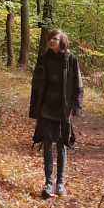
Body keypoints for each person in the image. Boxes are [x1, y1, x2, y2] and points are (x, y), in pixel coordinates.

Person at [29, 28, 83, 198]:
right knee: (46, 145)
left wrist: (76, 105)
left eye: (55, 38)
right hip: (46, 108)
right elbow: (36, 85)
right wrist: (35, 108)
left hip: (63, 108)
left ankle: (60, 183)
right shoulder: (43, 59)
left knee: (61, 145)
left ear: (62, 41)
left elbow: (78, 83)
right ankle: (48, 183)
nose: (52, 41)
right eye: (50, 38)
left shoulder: (70, 59)